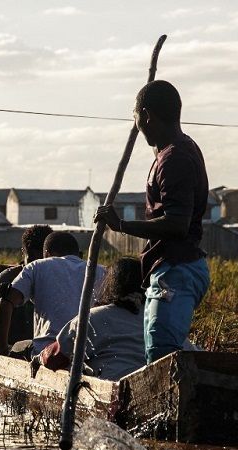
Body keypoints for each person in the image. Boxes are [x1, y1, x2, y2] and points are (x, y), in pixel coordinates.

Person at [95, 80, 210, 363]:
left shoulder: (174, 158)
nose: (134, 125)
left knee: (162, 356)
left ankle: (170, 408)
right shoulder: (174, 151)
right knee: (156, 352)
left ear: (146, 116)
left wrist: (121, 225)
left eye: (135, 117)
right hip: (171, 269)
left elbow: (176, 224)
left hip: (176, 269)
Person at [0, 231, 105, 359]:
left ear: (47, 254)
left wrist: (1, 348)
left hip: (47, 353)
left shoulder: (37, 266)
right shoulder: (102, 271)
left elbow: (4, 304)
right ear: (79, 255)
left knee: (17, 346)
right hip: (91, 354)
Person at [34, 257, 146, 380]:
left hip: (109, 388)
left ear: (111, 284)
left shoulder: (93, 317)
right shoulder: (153, 319)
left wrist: (39, 358)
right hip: (148, 383)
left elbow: (53, 359)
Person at [0, 225, 53, 349]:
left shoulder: (57, 275)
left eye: (40, 261)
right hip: (11, 342)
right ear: (23, 253)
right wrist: (1, 347)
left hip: (43, 342)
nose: (35, 267)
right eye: (32, 261)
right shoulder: (8, 277)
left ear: (49, 255)